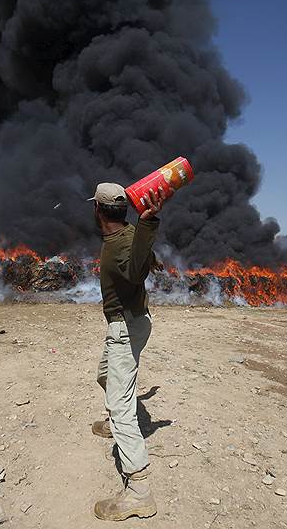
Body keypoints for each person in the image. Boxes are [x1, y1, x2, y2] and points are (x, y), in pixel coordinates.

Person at [87, 181, 169, 521]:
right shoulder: (125, 234)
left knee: (121, 405)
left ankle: (139, 491)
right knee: (105, 375)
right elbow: (142, 254)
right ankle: (114, 423)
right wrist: (154, 255)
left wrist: (150, 224)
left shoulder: (121, 244)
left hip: (126, 325)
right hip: (126, 322)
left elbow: (134, 269)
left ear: (99, 211)